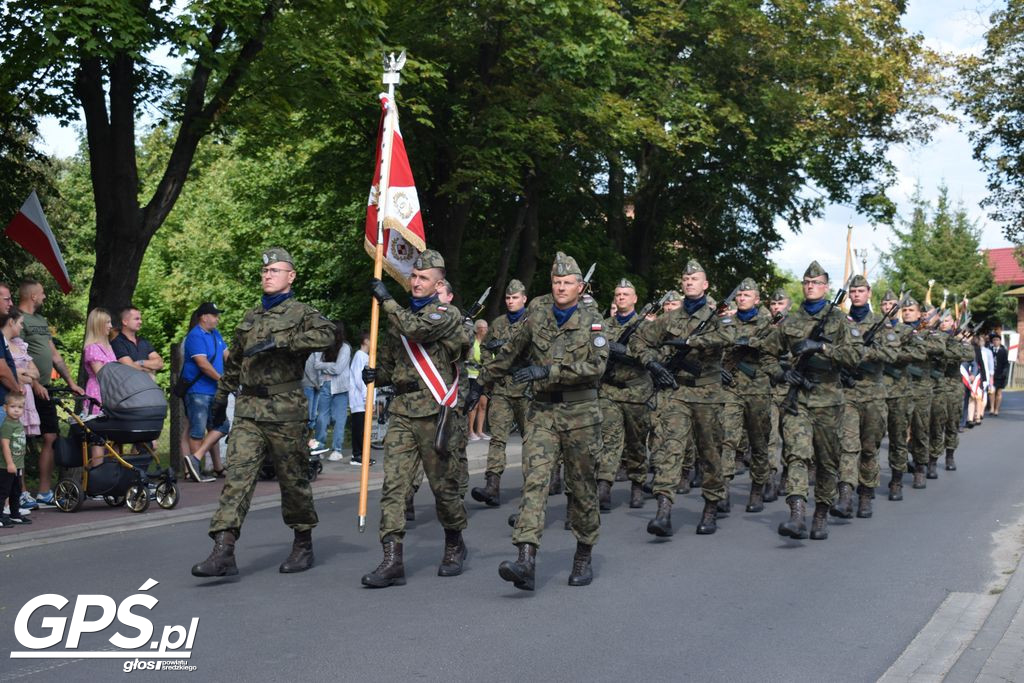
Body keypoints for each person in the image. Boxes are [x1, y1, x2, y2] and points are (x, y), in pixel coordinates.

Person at [192, 247, 334, 578]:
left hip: (285, 412)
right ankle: (223, 550)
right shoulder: (251, 316)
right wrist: (220, 397)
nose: (267, 275)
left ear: (291, 276)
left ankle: (303, 543)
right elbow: (236, 361)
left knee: (293, 481)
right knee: (237, 478)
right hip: (249, 411)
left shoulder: (302, 313)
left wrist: (283, 342)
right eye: (265, 271)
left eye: (275, 271)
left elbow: (328, 334)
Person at [474, 251, 608, 590]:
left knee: (581, 488)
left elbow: (596, 366)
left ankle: (583, 552)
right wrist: (480, 382)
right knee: (535, 482)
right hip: (543, 413)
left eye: (567, 283)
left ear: (580, 286)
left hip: (581, 415)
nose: (561, 288)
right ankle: (526, 559)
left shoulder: (593, 320)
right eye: (556, 282)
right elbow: (511, 352)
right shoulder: (537, 314)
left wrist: (549, 370)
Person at [359, 249, 470, 588]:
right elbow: (396, 366)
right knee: (394, 485)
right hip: (403, 412)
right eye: (414, 277)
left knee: (443, 488)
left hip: (435, 412)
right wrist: (378, 374)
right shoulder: (399, 316)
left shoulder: (445, 314)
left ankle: (454, 541)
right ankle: (392, 559)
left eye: (424, 278)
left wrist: (386, 301)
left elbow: (417, 331)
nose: (417, 282)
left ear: (438, 284)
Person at [632, 259, 735, 537]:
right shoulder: (670, 317)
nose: (689, 282)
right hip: (677, 392)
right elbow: (638, 341)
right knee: (669, 448)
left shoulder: (718, 316)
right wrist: (652, 363)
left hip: (708, 393)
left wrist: (690, 343)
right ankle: (663, 512)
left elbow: (729, 335)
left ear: (705, 285)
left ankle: (711, 506)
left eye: (695, 279)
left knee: (710, 452)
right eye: (685, 279)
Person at [760, 261, 861, 541]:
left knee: (828, 462)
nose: (810, 286)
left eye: (815, 283)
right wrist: (783, 374)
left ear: (826, 287)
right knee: (796, 454)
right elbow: (766, 355)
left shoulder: (839, 321)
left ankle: (821, 513)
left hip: (829, 399)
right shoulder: (790, 321)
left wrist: (821, 347)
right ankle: (796, 514)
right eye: (806, 282)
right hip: (798, 401)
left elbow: (855, 357)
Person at [834, 275, 898, 519]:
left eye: (861, 290)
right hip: (848, 393)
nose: (857, 294)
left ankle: (866, 493)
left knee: (869, 449)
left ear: (869, 293)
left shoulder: (882, 324)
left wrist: (863, 354)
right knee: (847, 447)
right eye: (853, 291)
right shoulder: (840, 323)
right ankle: (845, 495)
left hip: (873, 393)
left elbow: (891, 355)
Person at [17, 278, 85, 505]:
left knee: (50, 436)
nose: (45, 296)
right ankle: (21, 491)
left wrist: (71, 381)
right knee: (22, 438)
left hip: (44, 388)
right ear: (32, 296)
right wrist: (33, 383)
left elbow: (54, 354)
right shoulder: (17, 319)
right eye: (42, 293)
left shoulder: (41, 320)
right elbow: (19, 355)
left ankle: (44, 491)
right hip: (25, 388)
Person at [470, 279, 529, 509]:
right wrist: (489, 369)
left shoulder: (531, 322)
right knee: (497, 438)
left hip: (526, 388)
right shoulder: (498, 323)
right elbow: (485, 348)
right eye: (508, 298)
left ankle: (533, 483)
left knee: (530, 440)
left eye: (515, 298)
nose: (511, 301)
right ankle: (492, 485)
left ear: (524, 299)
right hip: (503, 387)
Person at [720, 278, 777, 513]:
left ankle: (757, 487)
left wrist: (747, 342)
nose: (741, 298)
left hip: (758, 390)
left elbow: (771, 347)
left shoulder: (768, 323)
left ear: (757, 299)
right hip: (731, 389)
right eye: (739, 296)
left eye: (747, 295)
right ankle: (722, 489)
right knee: (727, 438)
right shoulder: (726, 323)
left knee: (758, 442)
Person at [597, 278, 653, 511]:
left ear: (635, 298)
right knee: (609, 440)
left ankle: (638, 483)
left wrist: (625, 351)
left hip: (636, 392)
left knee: (636, 441)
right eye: (618, 294)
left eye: (625, 294)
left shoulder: (645, 326)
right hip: (609, 390)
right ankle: (604, 486)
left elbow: (652, 354)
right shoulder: (603, 325)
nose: (621, 297)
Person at [181, 302, 229, 482]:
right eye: (214, 315)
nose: (217, 318)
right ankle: (195, 471)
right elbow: (202, 364)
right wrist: (222, 379)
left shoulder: (215, 334)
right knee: (198, 431)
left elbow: (227, 355)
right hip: (198, 391)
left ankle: (198, 460)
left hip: (213, 391)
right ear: (204, 317)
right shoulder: (195, 336)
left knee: (221, 426)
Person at [83, 308, 118, 466]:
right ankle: (98, 477)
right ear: (98, 325)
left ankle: (114, 477)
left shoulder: (109, 346)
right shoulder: (92, 348)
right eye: (107, 322)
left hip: (111, 392)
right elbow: (101, 374)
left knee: (114, 437)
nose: (110, 326)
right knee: (99, 438)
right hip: (98, 392)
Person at [313, 321, 352, 462]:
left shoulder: (345, 348)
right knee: (321, 418)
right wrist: (330, 365)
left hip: (340, 387)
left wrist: (325, 366)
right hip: (325, 384)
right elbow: (316, 365)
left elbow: (338, 369)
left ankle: (337, 449)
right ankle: (319, 448)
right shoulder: (323, 346)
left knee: (339, 419)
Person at [0, 393, 31, 527]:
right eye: (13, 407)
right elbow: (5, 446)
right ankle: (0, 516)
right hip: (6, 465)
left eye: (20, 407)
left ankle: (14, 514)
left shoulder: (18, 423)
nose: (16, 410)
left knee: (16, 490)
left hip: (18, 465)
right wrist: (10, 463)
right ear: (5, 408)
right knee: (3, 491)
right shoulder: (7, 425)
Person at [111, 306, 164, 376]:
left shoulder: (144, 341)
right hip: (129, 386)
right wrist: (149, 370)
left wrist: (140, 363)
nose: (140, 322)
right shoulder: (117, 343)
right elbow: (129, 367)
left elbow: (160, 363)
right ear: (125, 322)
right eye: (136, 319)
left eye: (140, 319)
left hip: (148, 385)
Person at [348, 331, 374, 465]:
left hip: (363, 400)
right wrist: (367, 398)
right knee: (359, 429)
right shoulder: (360, 356)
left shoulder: (365, 356)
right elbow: (360, 379)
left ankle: (363, 455)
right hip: (359, 401)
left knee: (363, 429)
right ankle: (356, 455)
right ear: (366, 341)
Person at [467, 319, 490, 441]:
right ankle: (470, 431)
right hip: (473, 375)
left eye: (486, 327)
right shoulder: (473, 342)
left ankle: (480, 431)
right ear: (477, 329)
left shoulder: (487, 344)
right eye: (483, 327)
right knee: (473, 404)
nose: (485, 330)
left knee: (483, 404)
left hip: (485, 376)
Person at [990, 333, 1009, 416]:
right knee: (991, 392)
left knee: (999, 393)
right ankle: (991, 408)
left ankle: (997, 409)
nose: (996, 341)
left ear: (1000, 341)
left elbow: (1006, 363)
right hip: (991, 375)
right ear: (992, 341)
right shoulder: (989, 350)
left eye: (997, 340)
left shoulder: (1003, 351)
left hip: (1001, 375)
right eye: (994, 340)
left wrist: (1004, 372)